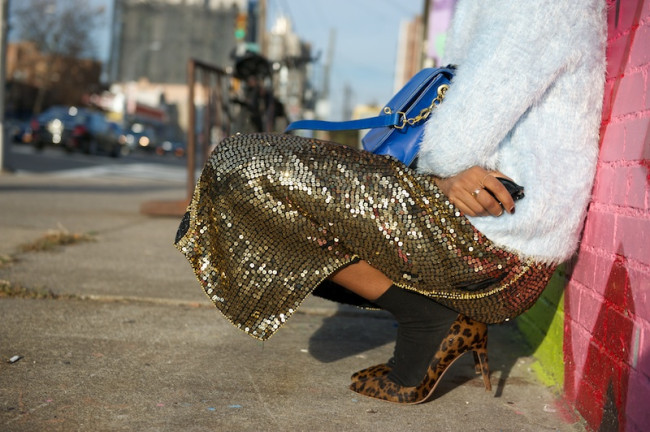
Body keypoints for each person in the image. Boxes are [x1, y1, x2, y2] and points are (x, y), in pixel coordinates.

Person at [175, 0, 606, 404]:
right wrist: (441, 174)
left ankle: (426, 319)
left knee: (244, 164)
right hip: (490, 235)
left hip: (498, 252)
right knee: (262, 177)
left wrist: (441, 171)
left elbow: (456, 141)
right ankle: (425, 316)